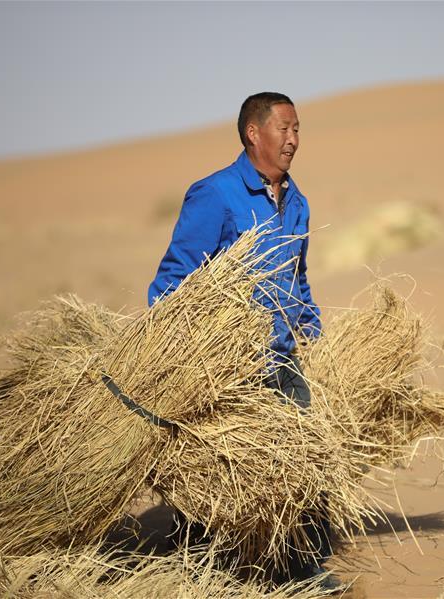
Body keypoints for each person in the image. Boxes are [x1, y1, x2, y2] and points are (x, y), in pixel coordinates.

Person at [147, 92, 338, 590]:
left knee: (301, 465)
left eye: (298, 130)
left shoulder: (297, 202)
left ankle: (303, 572)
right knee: (217, 473)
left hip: (283, 359)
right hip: (226, 365)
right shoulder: (215, 193)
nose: (294, 139)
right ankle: (193, 569)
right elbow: (176, 277)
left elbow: (298, 279)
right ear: (254, 133)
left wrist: (311, 333)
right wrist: (178, 353)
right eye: (284, 129)